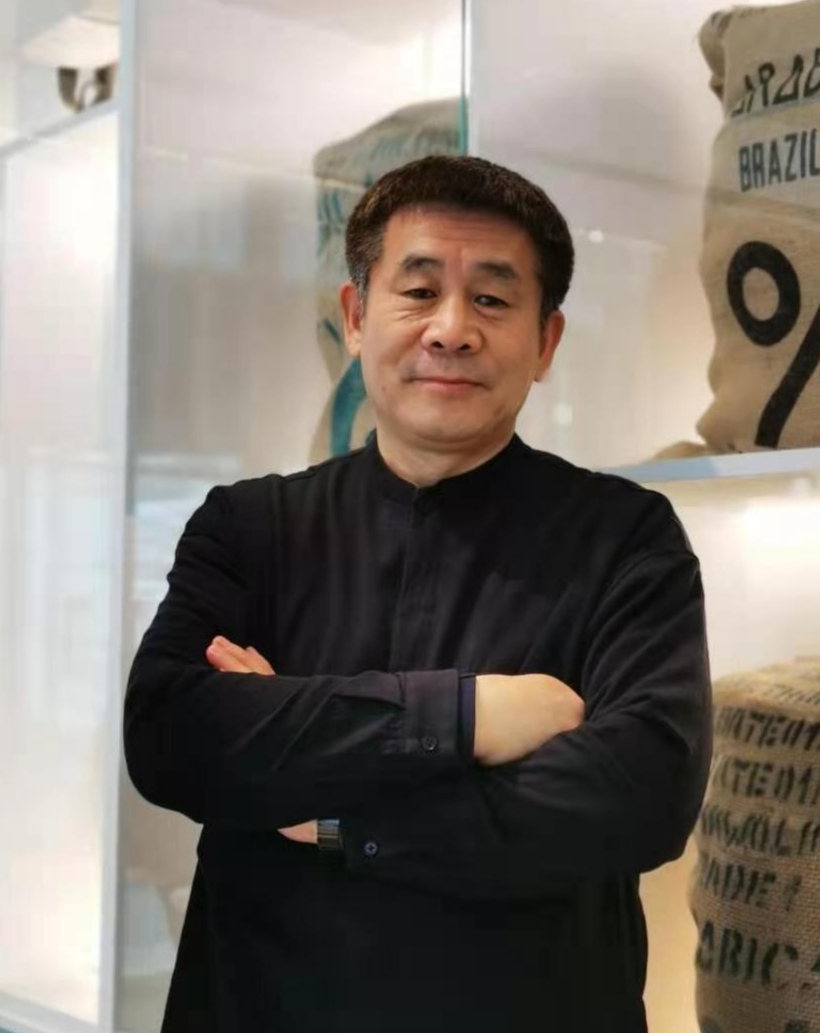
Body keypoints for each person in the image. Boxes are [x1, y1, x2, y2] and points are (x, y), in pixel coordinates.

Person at [124, 154, 712, 1033]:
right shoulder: (250, 526)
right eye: (420, 290)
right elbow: (172, 734)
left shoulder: (627, 537)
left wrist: (333, 814)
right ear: (356, 317)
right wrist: (469, 715)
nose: (452, 329)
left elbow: (642, 793)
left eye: (493, 299)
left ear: (546, 342)